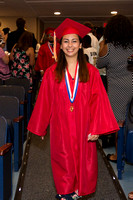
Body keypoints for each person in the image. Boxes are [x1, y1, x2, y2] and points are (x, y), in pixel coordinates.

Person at [27, 18, 119, 200]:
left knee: (84, 163)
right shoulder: (51, 73)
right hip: (60, 126)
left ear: (80, 45)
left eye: (74, 41)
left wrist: (96, 128)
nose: (70, 45)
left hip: (84, 126)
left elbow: (99, 102)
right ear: (60, 46)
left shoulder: (91, 73)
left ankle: (77, 192)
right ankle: (65, 194)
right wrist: (41, 126)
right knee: (63, 160)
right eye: (66, 41)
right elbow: (44, 101)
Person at [97, 14, 133, 162]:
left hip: (116, 90)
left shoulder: (108, 48)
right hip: (132, 85)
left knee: (119, 124)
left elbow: (99, 64)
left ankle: (119, 155)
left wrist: (102, 44)